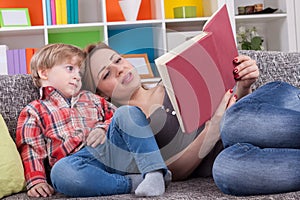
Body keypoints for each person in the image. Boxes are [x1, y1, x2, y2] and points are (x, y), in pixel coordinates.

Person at [81, 42, 300, 196]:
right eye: (106, 74)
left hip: (272, 107)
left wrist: (243, 86)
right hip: (237, 153)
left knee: (233, 123)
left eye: (117, 60)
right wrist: (212, 129)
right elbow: (173, 173)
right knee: (225, 172)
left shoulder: (170, 81)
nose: (119, 70)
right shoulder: (126, 126)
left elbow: (243, 110)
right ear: (100, 94)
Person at [16, 43, 171, 198]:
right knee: (60, 173)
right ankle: (132, 183)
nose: (77, 76)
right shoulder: (34, 110)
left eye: (79, 72)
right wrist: (36, 181)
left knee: (127, 112)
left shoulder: (93, 99)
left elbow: (117, 119)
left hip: (111, 148)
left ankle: (154, 172)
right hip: (79, 162)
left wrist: (103, 128)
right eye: (70, 69)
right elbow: (31, 148)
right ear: (44, 72)